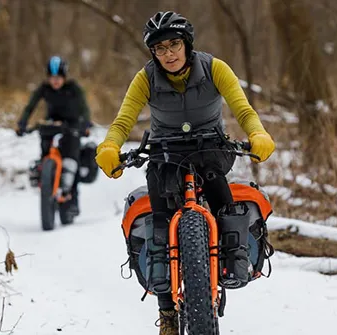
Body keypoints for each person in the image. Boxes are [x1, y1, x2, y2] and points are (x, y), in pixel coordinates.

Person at [94, 11, 275, 334]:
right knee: (161, 217)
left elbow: (244, 110)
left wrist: (258, 133)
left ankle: (231, 259)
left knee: (218, 190)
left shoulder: (214, 68)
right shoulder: (145, 78)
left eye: (174, 45)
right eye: (159, 48)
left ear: (187, 44)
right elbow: (122, 122)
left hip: (210, 146)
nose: (168, 54)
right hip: (165, 151)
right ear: (153, 53)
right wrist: (110, 146)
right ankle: (167, 312)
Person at [16, 55, 92, 221]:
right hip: (51, 124)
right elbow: (30, 106)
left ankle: (72, 201)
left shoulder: (73, 88)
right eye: (52, 78)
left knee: (72, 159)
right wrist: (22, 124)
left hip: (71, 126)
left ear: (64, 77)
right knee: (44, 153)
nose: (55, 81)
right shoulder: (44, 89)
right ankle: (45, 181)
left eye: (58, 78)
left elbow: (84, 108)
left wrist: (86, 124)